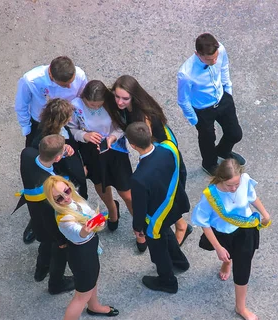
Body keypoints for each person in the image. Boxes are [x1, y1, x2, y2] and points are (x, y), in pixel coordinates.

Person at [112, 75, 193, 247]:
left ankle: (181, 226)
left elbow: (146, 142)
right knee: (165, 192)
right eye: (117, 96)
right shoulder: (135, 107)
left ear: (133, 96)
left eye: (124, 98)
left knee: (167, 192)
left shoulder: (143, 117)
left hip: (163, 153)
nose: (119, 102)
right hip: (160, 149)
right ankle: (180, 225)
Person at [14, 56, 87, 244]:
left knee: (69, 171)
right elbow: (21, 105)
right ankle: (38, 221)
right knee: (41, 179)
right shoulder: (31, 80)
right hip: (41, 124)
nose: (71, 88)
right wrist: (27, 130)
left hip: (66, 122)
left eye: (72, 83)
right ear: (52, 78)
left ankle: (73, 213)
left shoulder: (79, 75)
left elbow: (81, 98)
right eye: (66, 86)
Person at [191, 159, 271, 320]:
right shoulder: (210, 195)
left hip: (245, 230)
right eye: (229, 185)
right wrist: (218, 247)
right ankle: (227, 262)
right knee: (226, 255)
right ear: (220, 179)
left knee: (243, 267)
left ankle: (240, 308)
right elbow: (203, 223)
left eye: (236, 184)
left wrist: (265, 214)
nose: (234, 188)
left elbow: (252, 197)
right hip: (222, 234)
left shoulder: (245, 180)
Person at [68, 80, 145, 251]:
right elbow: (72, 129)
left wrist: (113, 137)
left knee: (127, 193)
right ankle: (112, 210)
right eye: (90, 105)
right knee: (101, 186)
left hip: (114, 151)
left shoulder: (112, 105)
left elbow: (123, 127)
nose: (94, 108)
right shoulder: (75, 106)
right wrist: (84, 135)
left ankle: (139, 229)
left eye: (98, 105)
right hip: (91, 152)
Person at [44, 175, 119, 320]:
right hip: (82, 253)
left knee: (92, 280)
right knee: (81, 295)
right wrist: (87, 229)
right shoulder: (64, 219)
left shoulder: (73, 199)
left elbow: (87, 213)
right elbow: (78, 234)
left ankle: (94, 306)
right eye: (59, 198)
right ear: (53, 201)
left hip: (88, 248)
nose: (66, 197)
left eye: (67, 190)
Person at [126, 122, 190, 294]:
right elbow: (181, 172)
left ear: (132, 145)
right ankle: (179, 261)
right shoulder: (168, 149)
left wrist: (138, 227)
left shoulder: (138, 179)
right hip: (175, 205)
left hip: (156, 217)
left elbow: (140, 207)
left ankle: (167, 281)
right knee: (167, 232)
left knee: (158, 250)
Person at [177, 33, 246, 176]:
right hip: (203, 110)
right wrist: (194, 120)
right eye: (209, 59)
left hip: (222, 99)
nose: (214, 61)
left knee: (235, 134)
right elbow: (183, 100)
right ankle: (209, 164)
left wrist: (228, 90)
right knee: (207, 140)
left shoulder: (220, 49)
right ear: (197, 54)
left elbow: (224, 66)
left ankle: (223, 151)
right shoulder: (186, 74)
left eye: (215, 57)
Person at [17, 134, 76, 294]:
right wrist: (61, 240)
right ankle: (57, 283)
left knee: (44, 245)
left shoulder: (27, 154)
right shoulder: (52, 188)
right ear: (57, 158)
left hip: (35, 218)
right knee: (58, 251)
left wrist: (60, 152)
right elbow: (51, 220)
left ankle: (41, 270)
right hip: (51, 225)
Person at [32, 98, 88, 199]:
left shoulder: (62, 128)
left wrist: (80, 167)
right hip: (65, 175)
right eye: (68, 117)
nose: (71, 119)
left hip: (74, 169)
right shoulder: (45, 139)